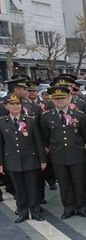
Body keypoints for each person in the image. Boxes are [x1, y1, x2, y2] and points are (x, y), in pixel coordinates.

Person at [38, 86, 86, 218]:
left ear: (69, 98)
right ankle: (68, 208)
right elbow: (45, 136)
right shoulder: (46, 117)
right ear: (52, 100)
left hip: (76, 154)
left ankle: (81, 207)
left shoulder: (79, 115)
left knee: (79, 182)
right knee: (64, 183)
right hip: (58, 155)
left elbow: (84, 135)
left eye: (62, 98)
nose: (59, 101)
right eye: (56, 99)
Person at [0, 93, 47, 222]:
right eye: (12, 104)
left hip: (30, 159)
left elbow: (38, 141)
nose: (15, 106)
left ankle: (35, 211)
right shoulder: (2, 123)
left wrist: (42, 159)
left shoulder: (30, 121)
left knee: (32, 188)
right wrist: (1, 163)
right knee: (19, 189)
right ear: (6, 106)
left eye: (18, 104)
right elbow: (1, 145)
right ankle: (23, 212)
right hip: (12, 161)